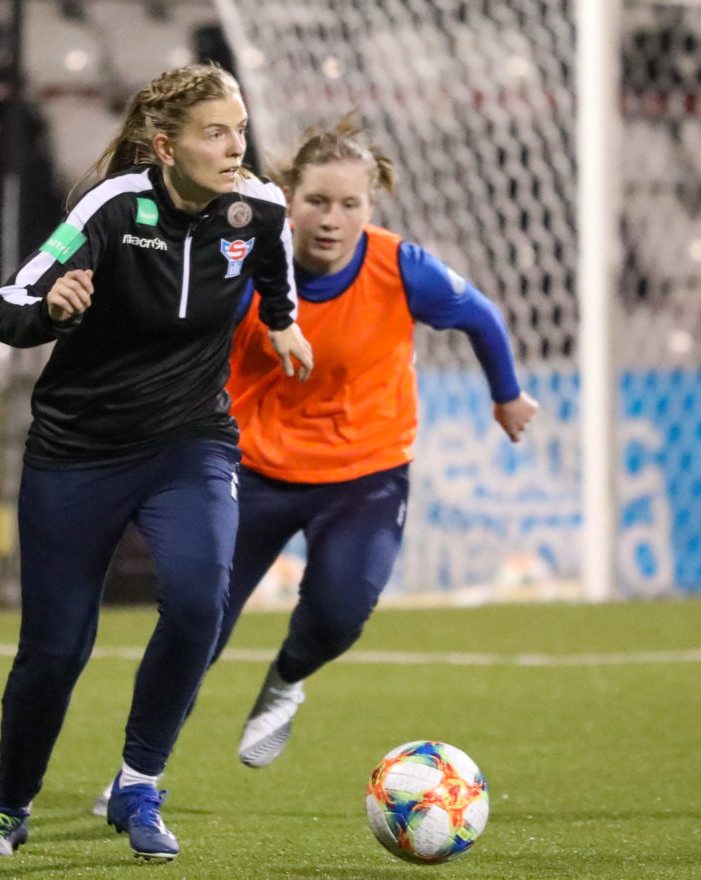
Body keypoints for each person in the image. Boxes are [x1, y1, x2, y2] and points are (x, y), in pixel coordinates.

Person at [89, 117, 535, 815]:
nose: (332, 219)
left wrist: (506, 395)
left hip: (366, 473)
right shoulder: (241, 265)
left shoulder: (401, 268)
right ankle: (135, 775)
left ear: (371, 208)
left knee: (338, 612)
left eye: (349, 205)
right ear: (287, 200)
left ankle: (287, 679)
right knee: (194, 625)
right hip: (252, 469)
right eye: (318, 202)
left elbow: (480, 317)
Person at [0, 63, 313, 863]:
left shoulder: (259, 208)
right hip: (77, 451)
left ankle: (139, 783)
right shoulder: (111, 208)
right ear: (165, 145)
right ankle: (8, 808)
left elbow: (275, 277)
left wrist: (286, 326)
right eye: (215, 133)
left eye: (241, 129)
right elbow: (9, 307)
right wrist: (51, 309)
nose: (237, 147)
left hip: (190, 441)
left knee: (199, 600)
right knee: (54, 652)